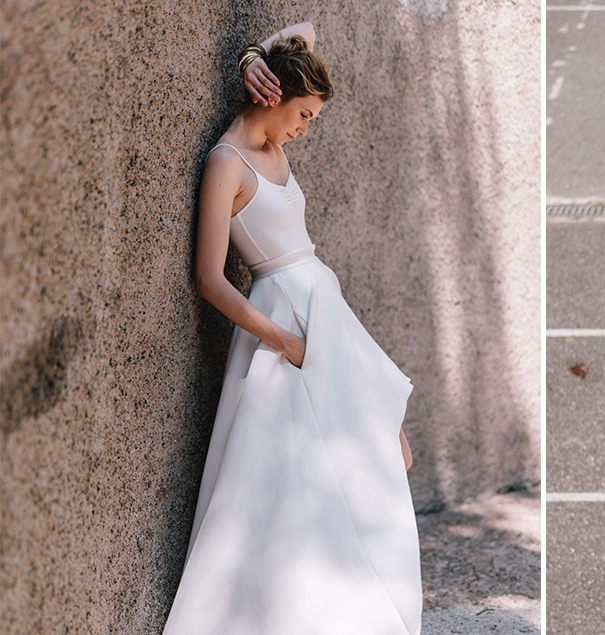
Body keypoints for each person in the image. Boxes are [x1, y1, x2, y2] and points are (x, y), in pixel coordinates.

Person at [163, 23, 422, 635]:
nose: (304, 129)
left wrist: (255, 55)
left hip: (324, 312)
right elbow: (208, 277)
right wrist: (281, 341)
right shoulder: (227, 163)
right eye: (302, 115)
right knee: (286, 474)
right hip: (284, 325)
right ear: (271, 98)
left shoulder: (274, 147)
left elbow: (303, 29)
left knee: (381, 452)